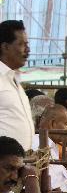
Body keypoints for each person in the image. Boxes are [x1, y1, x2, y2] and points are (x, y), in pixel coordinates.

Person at [0, 20, 33, 151]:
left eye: (27, 44)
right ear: (5, 47)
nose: (27, 49)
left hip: (20, 162)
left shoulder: (14, 79)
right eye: (21, 44)